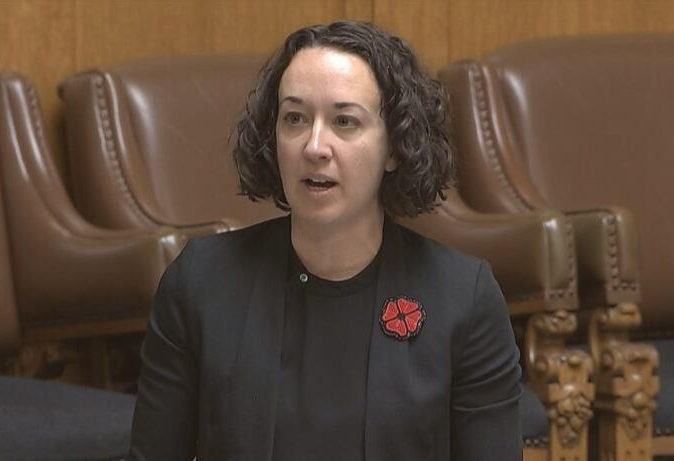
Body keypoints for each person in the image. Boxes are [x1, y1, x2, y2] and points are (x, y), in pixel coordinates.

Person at [128, 20, 522, 461]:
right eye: (295, 118)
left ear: (394, 147)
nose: (314, 146)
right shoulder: (201, 282)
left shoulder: (462, 298)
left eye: (344, 121)